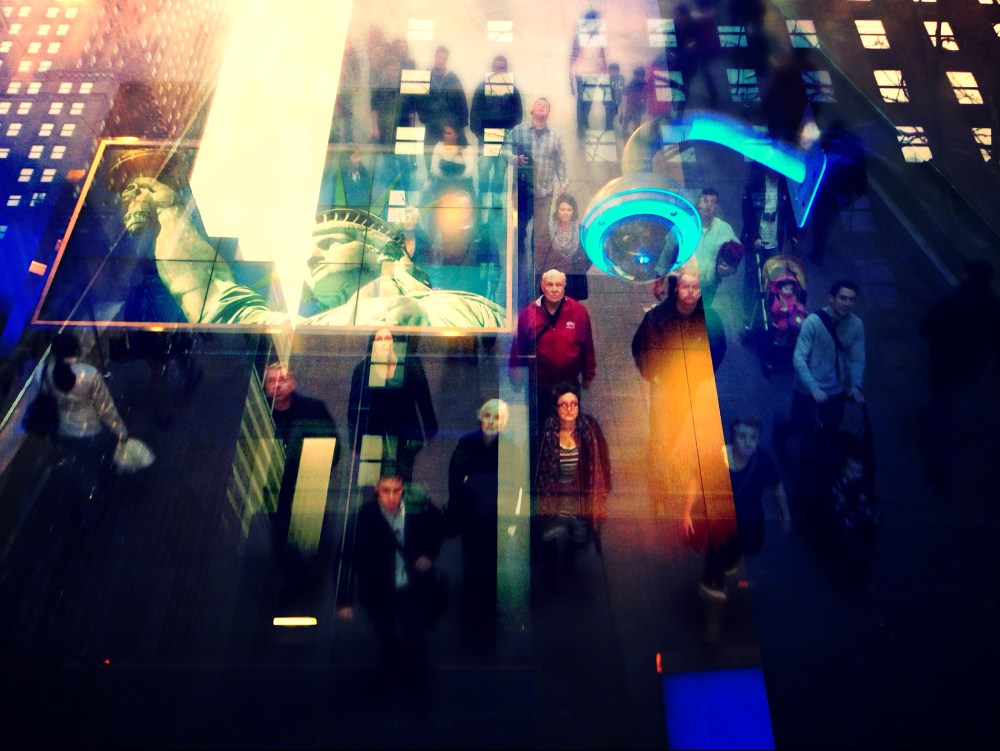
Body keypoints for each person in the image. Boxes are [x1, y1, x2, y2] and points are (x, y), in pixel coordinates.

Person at [104, 147, 506, 329]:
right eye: (308, 251)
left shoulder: (468, 307)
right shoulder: (310, 328)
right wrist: (172, 211)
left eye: (330, 242)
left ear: (386, 254)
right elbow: (216, 303)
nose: (312, 256)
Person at [632, 273, 726, 517]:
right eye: (687, 287)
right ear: (677, 290)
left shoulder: (710, 320)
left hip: (688, 386)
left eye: (696, 287)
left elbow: (718, 348)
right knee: (661, 432)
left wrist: (703, 374)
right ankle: (659, 487)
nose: (692, 292)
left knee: (674, 427)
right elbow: (640, 347)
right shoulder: (656, 318)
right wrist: (652, 374)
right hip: (664, 386)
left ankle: (661, 460)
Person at [692, 417, 789, 642]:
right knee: (714, 574)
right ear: (733, 437)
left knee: (734, 556)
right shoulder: (717, 458)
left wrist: (785, 513)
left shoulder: (763, 460)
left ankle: (729, 565)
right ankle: (712, 626)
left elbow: (776, 484)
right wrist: (688, 512)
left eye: (753, 438)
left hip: (748, 528)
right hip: (720, 529)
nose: (748, 443)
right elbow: (696, 480)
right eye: (743, 437)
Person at [336, 473, 446, 670]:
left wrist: (428, 555)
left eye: (396, 491)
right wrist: (344, 599)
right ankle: (395, 672)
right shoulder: (364, 516)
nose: (392, 497)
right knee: (385, 635)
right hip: (379, 587)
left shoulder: (418, 509)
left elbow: (438, 526)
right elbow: (346, 556)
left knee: (414, 635)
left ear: (402, 489)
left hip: (409, 585)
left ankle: (412, 678)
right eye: (386, 491)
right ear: (377, 489)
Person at [262, 362, 339, 595]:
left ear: (292, 383)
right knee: (280, 536)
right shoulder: (261, 414)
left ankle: (321, 552)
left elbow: (332, 445)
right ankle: (298, 580)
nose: (277, 386)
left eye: (282, 380)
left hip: (308, 480)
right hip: (277, 485)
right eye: (271, 381)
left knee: (314, 521)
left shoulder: (313, 409)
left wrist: (317, 472)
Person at [445, 398, 509, 653]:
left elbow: (467, 481)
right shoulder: (468, 443)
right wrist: (490, 483)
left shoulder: (504, 447)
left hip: (491, 519)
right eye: (487, 416)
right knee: (473, 565)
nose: (491, 422)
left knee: (491, 565)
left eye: (496, 418)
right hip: (474, 519)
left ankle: (484, 615)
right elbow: (458, 481)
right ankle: (473, 615)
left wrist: (475, 481)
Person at [534, 382, 611, 590]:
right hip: (554, 496)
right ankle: (551, 568)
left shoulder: (588, 429)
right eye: (563, 404)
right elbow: (540, 466)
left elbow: (601, 460)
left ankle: (568, 562)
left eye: (573, 404)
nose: (569, 409)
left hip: (579, 497)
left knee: (577, 537)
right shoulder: (548, 432)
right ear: (556, 408)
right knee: (549, 534)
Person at [46, 331, 129, 525]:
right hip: (89, 430)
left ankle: (86, 497)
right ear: (76, 349)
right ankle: (92, 512)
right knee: (90, 473)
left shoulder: (47, 373)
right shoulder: (88, 374)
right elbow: (105, 408)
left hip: (63, 431)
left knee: (82, 467)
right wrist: (120, 430)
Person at [348, 329, 438, 483]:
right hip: (375, 431)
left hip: (405, 431)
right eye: (379, 338)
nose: (383, 342)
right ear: (373, 343)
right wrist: (355, 442)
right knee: (375, 481)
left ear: (394, 342)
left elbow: (423, 398)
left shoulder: (411, 364)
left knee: (402, 478)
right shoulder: (363, 369)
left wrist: (430, 429)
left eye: (387, 338)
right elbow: (355, 408)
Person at [509, 269, 597, 427]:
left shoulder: (579, 313)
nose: (555, 289)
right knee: (539, 423)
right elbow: (518, 347)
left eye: (559, 285)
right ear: (542, 287)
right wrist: (515, 376)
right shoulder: (528, 315)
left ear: (564, 287)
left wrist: (588, 375)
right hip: (539, 385)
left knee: (568, 424)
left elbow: (587, 347)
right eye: (550, 285)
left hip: (569, 385)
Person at [503, 98, 568, 304]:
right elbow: (504, 149)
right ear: (532, 110)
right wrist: (514, 158)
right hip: (523, 190)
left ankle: (537, 264)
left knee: (539, 232)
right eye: (539, 104)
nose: (541, 107)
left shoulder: (554, 136)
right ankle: (521, 258)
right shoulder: (519, 130)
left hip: (544, 192)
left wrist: (563, 183)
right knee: (521, 227)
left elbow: (560, 161)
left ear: (548, 113)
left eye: (546, 106)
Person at [469, 54, 524, 210]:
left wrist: (510, 135)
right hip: (486, 136)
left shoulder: (512, 90)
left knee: (500, 169)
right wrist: (479, 133)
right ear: (492, 68)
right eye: (496, 67)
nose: (499, 70)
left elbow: (518, 114)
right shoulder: (482, 88)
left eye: (502, 68)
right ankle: (483, 194)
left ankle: (496, 197)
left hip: (505, 137)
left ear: (506, 69)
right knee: (484, 167)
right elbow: (475, 112)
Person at [418, 45, 469, 149]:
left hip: (449, 126)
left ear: (447, 60)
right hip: (431, 125)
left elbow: (461, 103)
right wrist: (425, 118)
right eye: (439, 57)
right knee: (429, 156)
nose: (440, 60)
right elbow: (420, 101)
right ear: (435, 57)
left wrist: (461, 125)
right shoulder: (426, 76)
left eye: (444, 58)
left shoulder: (452, 78)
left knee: (448, 157)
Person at [542, 194, 591, 301]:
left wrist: (578, 267)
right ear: (557, 210)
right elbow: (541, 254)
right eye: (562, 209)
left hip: (574, 279)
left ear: (574, 211)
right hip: (553, 279)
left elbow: (588, 255)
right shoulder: (548, 230)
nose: (565, 212)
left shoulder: (581, 230)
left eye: (569, 209)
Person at [569, 9, 608, 137]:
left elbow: (602, 55)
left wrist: (605, 70)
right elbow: (574, 55)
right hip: (581, 73)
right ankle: (580, 125)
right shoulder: (580, 35)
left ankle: (584, 118)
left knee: (589, 99)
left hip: (595, 73)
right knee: (581, 100)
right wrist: (570, 73)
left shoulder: (599, 37)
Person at [427, 120, 475, 199]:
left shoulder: (467, 148)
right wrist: (447, 178)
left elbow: (468, 172)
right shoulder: (439, 146)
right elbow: (434, 170)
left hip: (463, 185)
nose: (446, 136)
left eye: (449, 133)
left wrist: (454, 178)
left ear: (457, 134)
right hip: (443, 184)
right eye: (445, 133)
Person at [620, 65, 649, 138]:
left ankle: (630, 134)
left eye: (639, 74)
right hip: (634, 105)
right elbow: (626, 92)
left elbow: (625, 92)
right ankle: (633, 135)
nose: (637, 76)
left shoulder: (634, 83)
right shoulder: (641, 83)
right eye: (636, 74)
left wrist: (621, 89)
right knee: (631, 120)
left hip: (634, 105)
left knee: (632, 120)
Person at [605, 62, 625, 132]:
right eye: (611, 71)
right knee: (608, 114)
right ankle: (608, 127)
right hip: (607, 100)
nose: (612, 72)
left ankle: (609, 125)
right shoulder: (607, 78)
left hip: (617, 101)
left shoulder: (621, 77)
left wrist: (621, 88)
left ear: (618, 71)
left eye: (614, 70)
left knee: (614, 112)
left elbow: (623, 86)